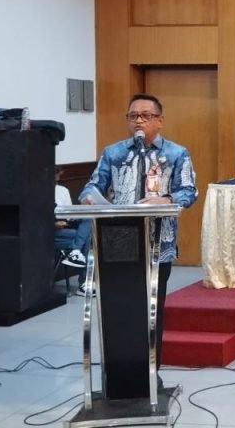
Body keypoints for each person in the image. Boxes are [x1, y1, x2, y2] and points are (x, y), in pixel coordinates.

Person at [79, 93, 197, 372]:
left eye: (146, 115)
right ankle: (120, 369)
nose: (139, 121)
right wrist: (90, 198)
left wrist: (166, 199)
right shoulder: (113, 153)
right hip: (117, 245)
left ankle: (152, 372)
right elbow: (92, 186)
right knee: (121, 308)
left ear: (160, 120)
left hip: (158, 245)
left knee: (152, 310)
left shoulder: (176, 153)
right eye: (133, 116)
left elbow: (189, 191)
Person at [54, 169, 90, 285]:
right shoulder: (38, 192)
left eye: (58, 173)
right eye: (56, 173)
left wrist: (79, 212)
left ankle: (75, 249)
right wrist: (53, 224)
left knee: (88, 219)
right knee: (87, 238)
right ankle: (84, 282)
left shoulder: (62, 190)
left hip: (66, 226)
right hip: (49, 232)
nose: (58, 176)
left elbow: (69, 214)